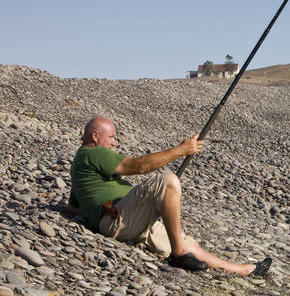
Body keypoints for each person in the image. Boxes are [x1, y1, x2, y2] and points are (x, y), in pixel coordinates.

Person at [66, 116, 271, 275]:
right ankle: (178, 254)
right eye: (111, 137)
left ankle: (244, 270)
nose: (114, 143)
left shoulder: (80, 165)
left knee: (187, 243)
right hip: (118, 220)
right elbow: (140, 166)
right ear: (94, 136)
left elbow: (75, 206)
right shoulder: (92, 153)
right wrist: (181, 150)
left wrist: (94, 214)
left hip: (127, 221)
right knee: (168, 180)